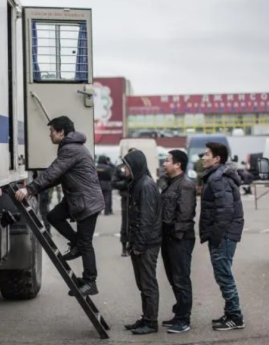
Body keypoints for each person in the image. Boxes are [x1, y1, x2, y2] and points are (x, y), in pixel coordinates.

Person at [15, 116, 104, 296]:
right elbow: (56, 177)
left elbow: (52, 172)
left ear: (61, 132)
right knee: (54, 216)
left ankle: (90, 282)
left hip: (87, 201)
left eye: (51, 131)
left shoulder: (71, 149)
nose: (49, 135)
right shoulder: (71, 148)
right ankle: (77, 243)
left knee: (86, 243)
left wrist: (30, 189)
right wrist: (33, 191)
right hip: (78, 199)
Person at [199, 142, 245, 331]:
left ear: (217, 158)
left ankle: (235, 317)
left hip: (223, 235)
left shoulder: (218, 178)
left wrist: (216, 236)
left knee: (224, 275)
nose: (203, 157)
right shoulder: (216, 176)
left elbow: (226, 210)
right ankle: (230, 312)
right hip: (223, 234)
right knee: (223, 274)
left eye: (207, 154)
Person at [121, 150, 162, 335]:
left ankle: (151, 322)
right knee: (142, 284)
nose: (124, 169)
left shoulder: (146, 185)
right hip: (139, 243)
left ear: (134, 166)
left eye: (126, 166)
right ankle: (146, 318)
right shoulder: (137, 183)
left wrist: (139, 245)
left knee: (148, 284)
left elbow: (146, 218)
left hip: (147, 244)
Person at [158, 150, 197, 334]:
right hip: (168, 238)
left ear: (177, 164)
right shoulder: (170, 183)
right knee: (174, 278)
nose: (164, 164)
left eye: (167, 161)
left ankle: (184, 319)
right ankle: (179, 312)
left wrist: (175, 235)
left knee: (181, 279)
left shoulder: (186, 185)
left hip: (179, 239)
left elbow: (185, 215)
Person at [111, 160, 131, 257]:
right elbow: (114, 183)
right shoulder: (120, 167)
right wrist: (127, 183)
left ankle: (134, 246)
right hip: (126, 198)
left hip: (138, 198)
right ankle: (124, 247)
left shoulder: (140, 167)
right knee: (126, 223)